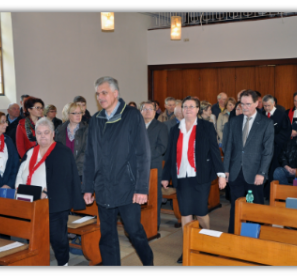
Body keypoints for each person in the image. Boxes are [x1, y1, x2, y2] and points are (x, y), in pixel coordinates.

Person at [82, 76, 153, 266]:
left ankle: (149, 264)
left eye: (104, 93)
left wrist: (141, 188)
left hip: (127, 187)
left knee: (134, 231)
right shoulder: (96, 120)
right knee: (107, 235)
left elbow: (142, 154)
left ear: (115, 93)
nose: (100, 97)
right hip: (104, 186)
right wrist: (88, 187)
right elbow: (89, 156)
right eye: (98, 94)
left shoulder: (131, 115)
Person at [162, 96, 226, 264]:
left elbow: (214, 152)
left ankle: (208, 239)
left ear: (198, 109)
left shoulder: (206, 126)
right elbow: (170, 155)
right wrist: (165, 176)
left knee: (201, 212)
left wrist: (221, 175)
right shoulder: (175, 129)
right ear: (182, 109)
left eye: (191, 106)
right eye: (185, 107)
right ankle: (188, 246)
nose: (188, 109)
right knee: (185, 212)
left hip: (201, 176)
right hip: (182, 177)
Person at [15, 117, 85, 266]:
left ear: (53, 134)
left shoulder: (62, 152)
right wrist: (18, 190)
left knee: (57, 237)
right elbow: (21, 173)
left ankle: (63, 263)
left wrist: (47, 193)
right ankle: (38, 261)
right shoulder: (30, 151)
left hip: (54, 203)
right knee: (34, 236)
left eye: (46, 132)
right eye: (39, 133)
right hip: (32, 203)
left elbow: (65, 179)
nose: (42, 136)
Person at [223, 90, 274, 233]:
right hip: (235, 172)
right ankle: (233, 235)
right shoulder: (234, 121)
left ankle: (252, 238)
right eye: (242, 104)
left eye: (248, 104)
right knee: (235, 207)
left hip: (254, 174)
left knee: (254, 208)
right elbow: (229, 148)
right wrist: (225, 170)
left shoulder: (266, 123)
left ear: (257, 103)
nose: (244, 107)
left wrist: (262, 173)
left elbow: (268, 151)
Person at [140, 100, 168, 231]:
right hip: (137, 167)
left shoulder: (160, 126)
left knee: (154, 196)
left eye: (150, 109)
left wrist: (146, 156)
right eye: (144, 109)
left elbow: (162, 147)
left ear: (155, 111)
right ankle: (140, 223)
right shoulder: (136, 125)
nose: (147, 111)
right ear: (141, 111)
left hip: (153, 166)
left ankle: (154, 223)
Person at [262, 95, 292, 198]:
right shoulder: (261, 114)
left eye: (268, 106)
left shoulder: (281, 115)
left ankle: (273, 194)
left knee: (273, 170)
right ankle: (264, 193)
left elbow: (286, 132)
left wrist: (271, 138)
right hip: (263, 149)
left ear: (274, 103)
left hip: (276, 148)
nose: (266, 108)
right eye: (265, 106)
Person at [55, 102, 88, 181]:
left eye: (80, 112)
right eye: (75, 113)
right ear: (68, 115)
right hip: (63, 171)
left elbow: (86, 152)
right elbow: (57, 151)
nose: (78, 115)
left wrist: (73, 166)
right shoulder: (60, 130)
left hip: (80, 171)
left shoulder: (87, 130)